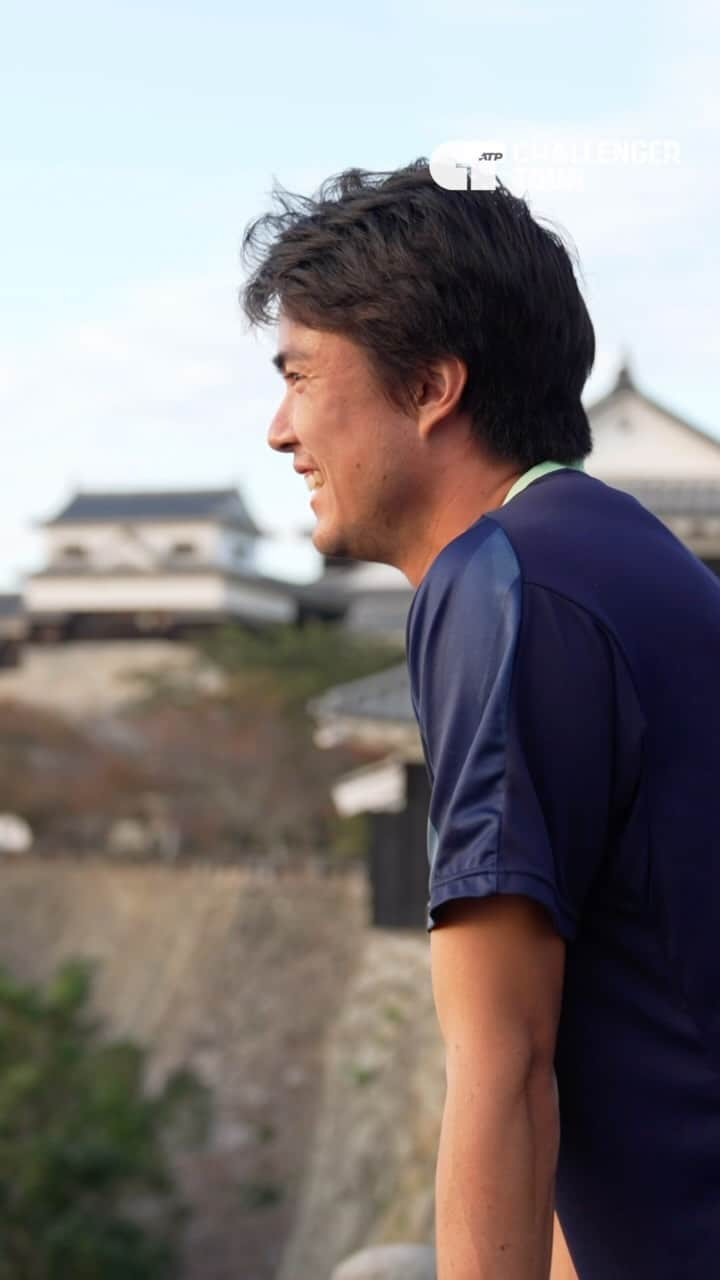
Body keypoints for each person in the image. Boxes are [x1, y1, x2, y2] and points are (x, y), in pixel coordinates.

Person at [240, 159, 720, 1279]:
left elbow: (506, 1056)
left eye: (303, 376)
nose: (280, 429)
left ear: (430, 389)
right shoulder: (618, 550)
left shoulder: (499, 585)